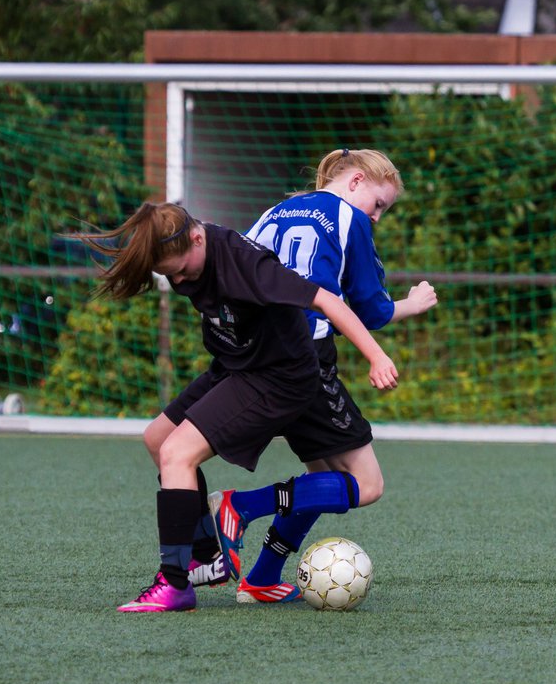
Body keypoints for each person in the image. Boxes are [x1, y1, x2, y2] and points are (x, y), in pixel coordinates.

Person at [82, 201, 400, 612]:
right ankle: (205, 556)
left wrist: (377, 356)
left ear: (198, 237)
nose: (179, 280)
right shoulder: (188, 246)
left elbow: (326, 301)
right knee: (158, 439)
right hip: (237, 365)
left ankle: (175, 582)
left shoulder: (245, 263)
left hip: (277, 376)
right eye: (170, 275)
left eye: (180, 270)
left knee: (177, 453)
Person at [201, 148, 438, 604]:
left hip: (254, 353)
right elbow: (370, 307)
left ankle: (263, 578)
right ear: (355, 182)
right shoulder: (348, 217)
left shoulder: (274, 213)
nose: (377, 217)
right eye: (379, 205)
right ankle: (240, 506)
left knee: (320, 480)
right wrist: (414, 302)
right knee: (367, 485)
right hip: (304, 357)